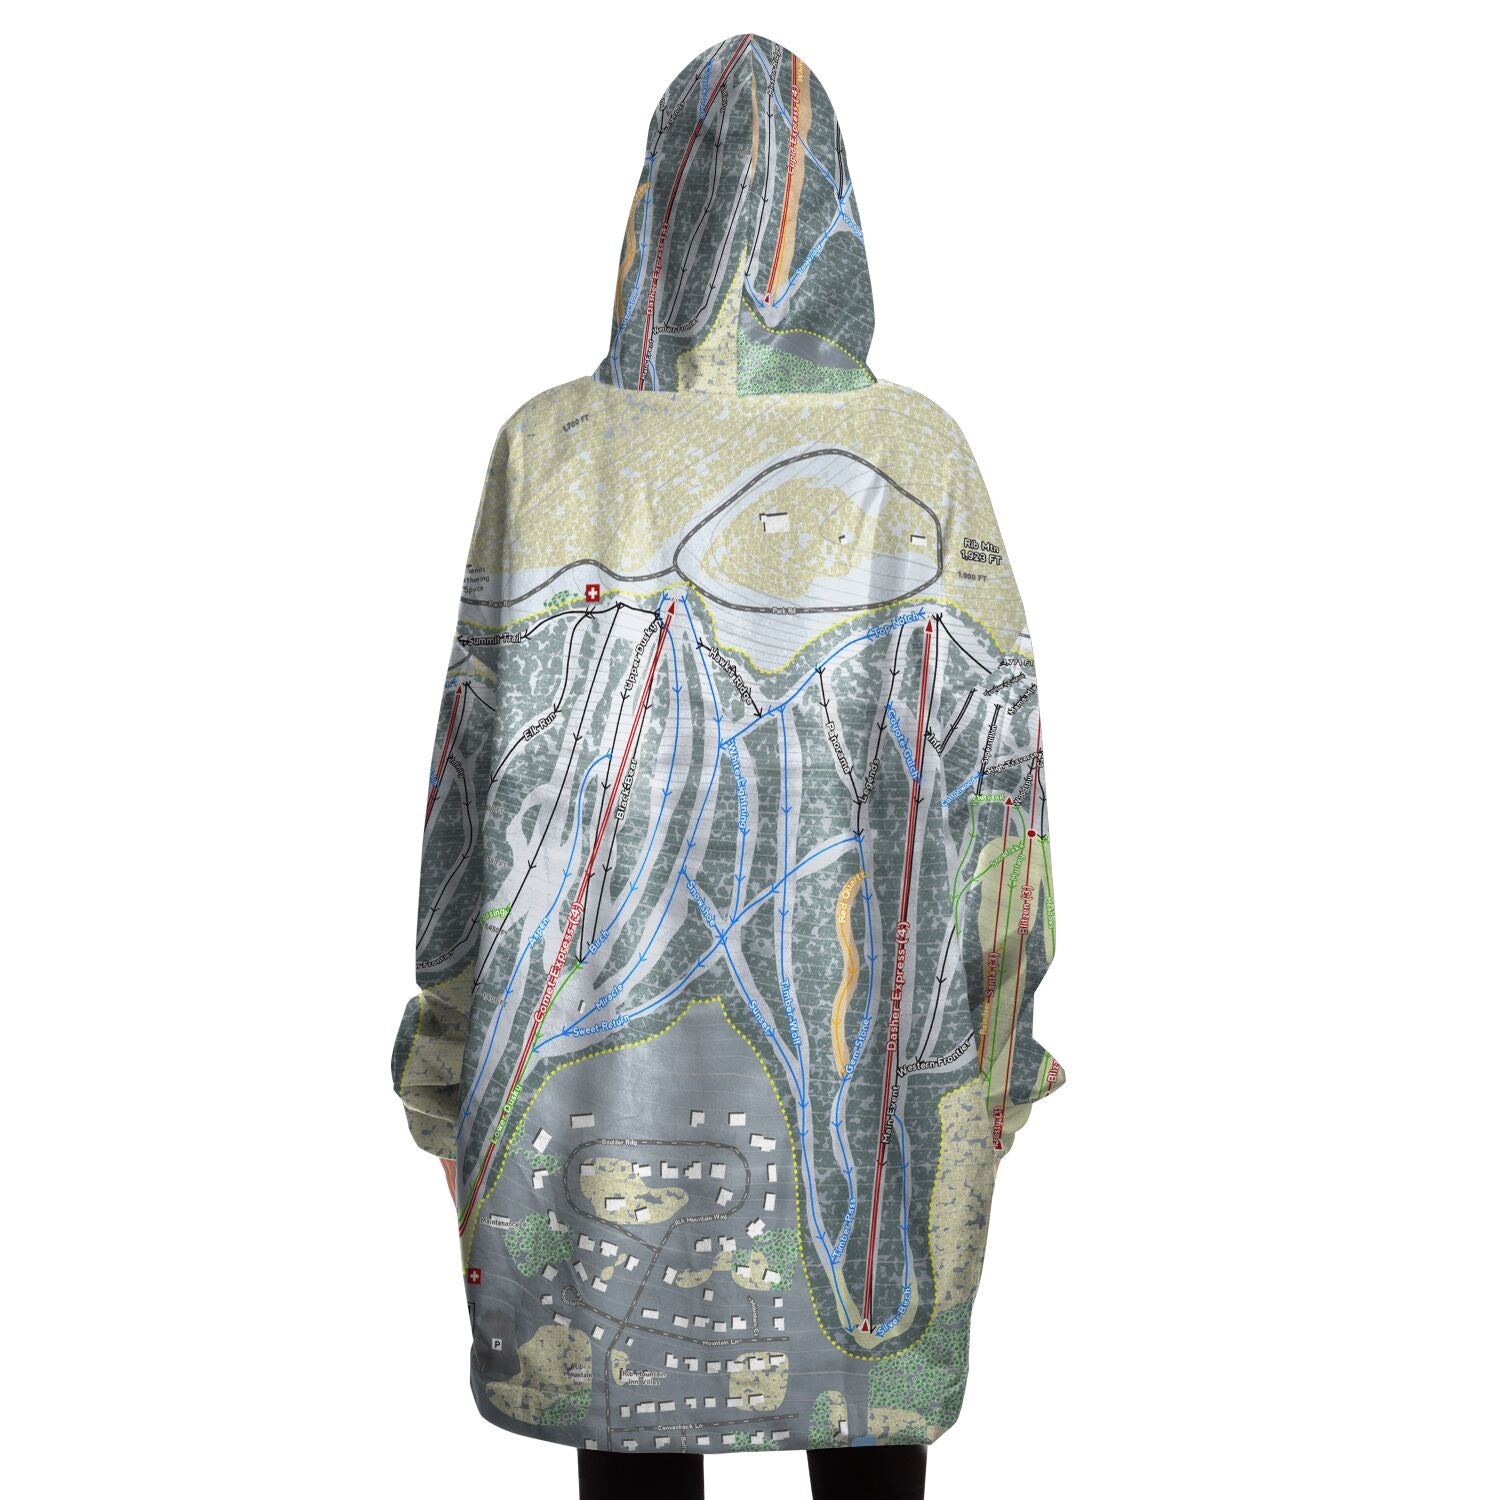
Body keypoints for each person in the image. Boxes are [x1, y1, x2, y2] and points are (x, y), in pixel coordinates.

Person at [391, 32, 1066, 1499]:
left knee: (624, 1418)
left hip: (582, 1074)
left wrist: (443, 1052)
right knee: (868, 1407)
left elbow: (468, 772)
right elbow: (1003, 792)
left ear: (652, 202)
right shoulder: (922, 449)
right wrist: (1003, 1043)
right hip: (874, 1058)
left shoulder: (551, 444)